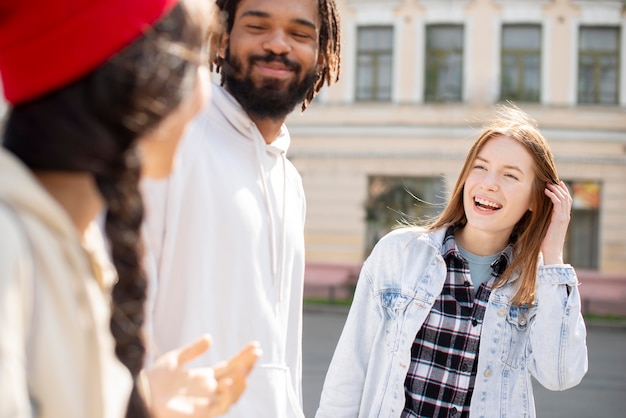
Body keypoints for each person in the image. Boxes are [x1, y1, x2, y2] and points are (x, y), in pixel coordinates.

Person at [0, 0, 260, 417]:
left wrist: (143, 409)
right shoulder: (9, 247)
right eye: (198, 63)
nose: (204, 100)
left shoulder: (73, 244)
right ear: (144, 80)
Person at [316, 105, 588, 418]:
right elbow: (350, 369)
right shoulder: (400, 254)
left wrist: (552, 257)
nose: (488, 183)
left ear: (535, 199)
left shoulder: (535, 284)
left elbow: (560, 375)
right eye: (480, 167)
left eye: (510, 175)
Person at [140, 0, 341, 416]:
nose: (278, 45)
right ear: (221, 40)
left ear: (322, 55)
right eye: (258, 26)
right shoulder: (173, 142)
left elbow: (282, 351)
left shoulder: (290, 181)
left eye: (300, 34)